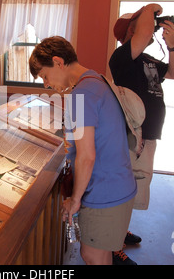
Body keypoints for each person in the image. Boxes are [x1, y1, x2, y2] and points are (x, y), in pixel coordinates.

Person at [29, 36, 137, 265]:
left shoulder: (81, 94)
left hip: (105, 191)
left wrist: (75, 200)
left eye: (44, 76)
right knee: (100, 255)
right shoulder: (95, 80)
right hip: (118, 184)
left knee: (92, 255)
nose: (46, 85)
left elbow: (87, 156)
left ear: (58, 62)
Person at [109, 3, 174, 264]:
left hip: (149, 135)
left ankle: (121, 231)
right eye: (144, 25)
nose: (151, 29)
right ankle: (113, 248)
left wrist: (172, 45)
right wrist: (150, 8)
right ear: (132, 29)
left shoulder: (150, 60)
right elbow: (141, 34)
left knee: (136, 188)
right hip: (132, 135)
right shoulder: (121, 57)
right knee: (125, 190)